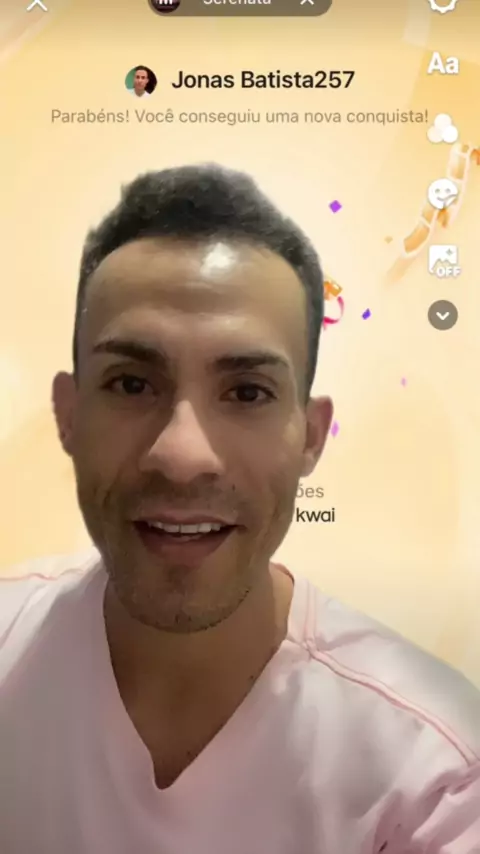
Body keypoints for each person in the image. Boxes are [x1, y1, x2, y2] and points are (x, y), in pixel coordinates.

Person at [0, 164, 479, 854]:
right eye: (131, 384)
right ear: (68, 414)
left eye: (248, 393)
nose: (182, 454)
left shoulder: (435, 779)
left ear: (311, 437)